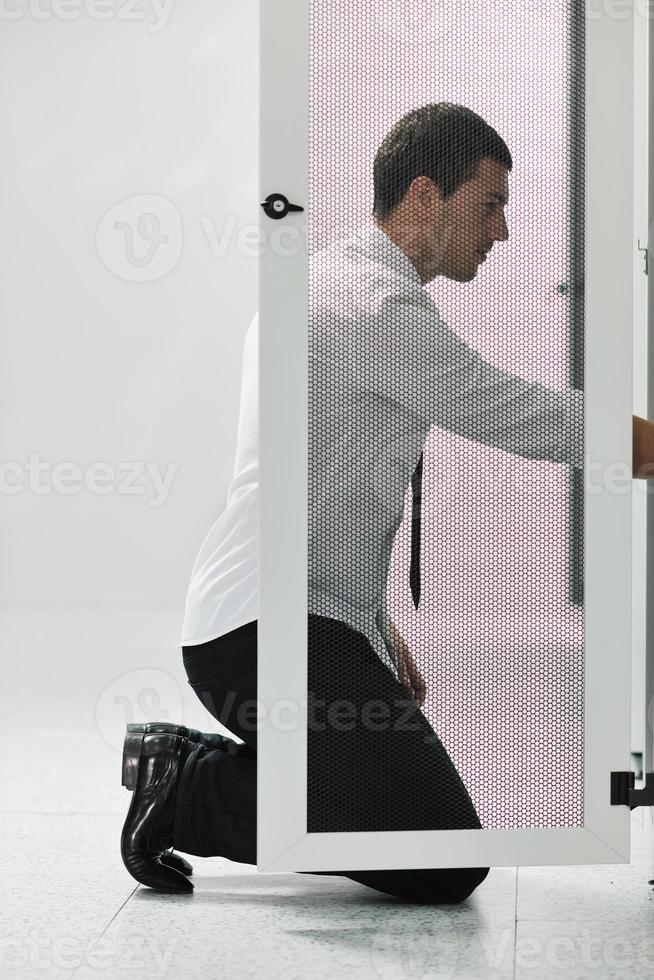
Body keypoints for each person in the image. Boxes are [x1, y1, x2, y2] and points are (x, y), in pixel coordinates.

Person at [120, 102, 654, 903]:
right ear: (425, 195)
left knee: (414, 823)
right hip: (261, 635)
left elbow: (317, 483)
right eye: (491, 203)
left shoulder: (336, 287)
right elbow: (502, 406)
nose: (502, 231)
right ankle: (189, 788)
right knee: (441, 858)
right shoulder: (368, 304)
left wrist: (369, 627)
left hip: (280, 619)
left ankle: (202, 768)